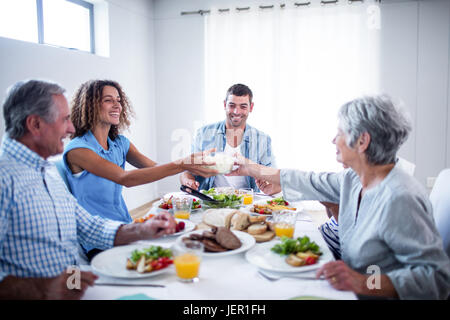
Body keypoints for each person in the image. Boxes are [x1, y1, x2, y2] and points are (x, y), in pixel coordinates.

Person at [228, 95, 450, 299]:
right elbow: (309, 180)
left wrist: (364, 282)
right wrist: (250, 168)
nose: (334, 140)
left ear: (362, 141)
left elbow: (435, 279)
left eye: (341, 133)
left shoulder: (400, 198)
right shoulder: (354, 179)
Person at [0, 79, 181, 299]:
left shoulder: (45, 170)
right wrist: (43, 289)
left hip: (74, 281)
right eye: (65, 119)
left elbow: (86, 225)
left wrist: (141, 230)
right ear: (35, 124)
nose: (70, 128)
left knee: (168, 285)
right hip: (40, 294)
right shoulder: (5, 179)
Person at [63, 80, 217, 260]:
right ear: (90, 105)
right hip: (98, 238)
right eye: (108, 100)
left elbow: (154, 167)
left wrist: (185, 172)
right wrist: (182, 164)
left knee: (186, 247)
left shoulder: (120, 143)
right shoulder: (78, 149)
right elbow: (125, 178)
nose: (117, 105)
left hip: (125, 227)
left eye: (118, 100)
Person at [179, 83, 275, 192]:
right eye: (232, 105)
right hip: (212, 201)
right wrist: (188, 181)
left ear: (251, 107)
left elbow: (273, 175)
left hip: (248, 203)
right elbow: (187, 171)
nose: (236, 111)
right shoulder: (203, 134)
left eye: (243, 106)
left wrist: (265, 180)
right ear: (225, 105)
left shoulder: (262, 139)